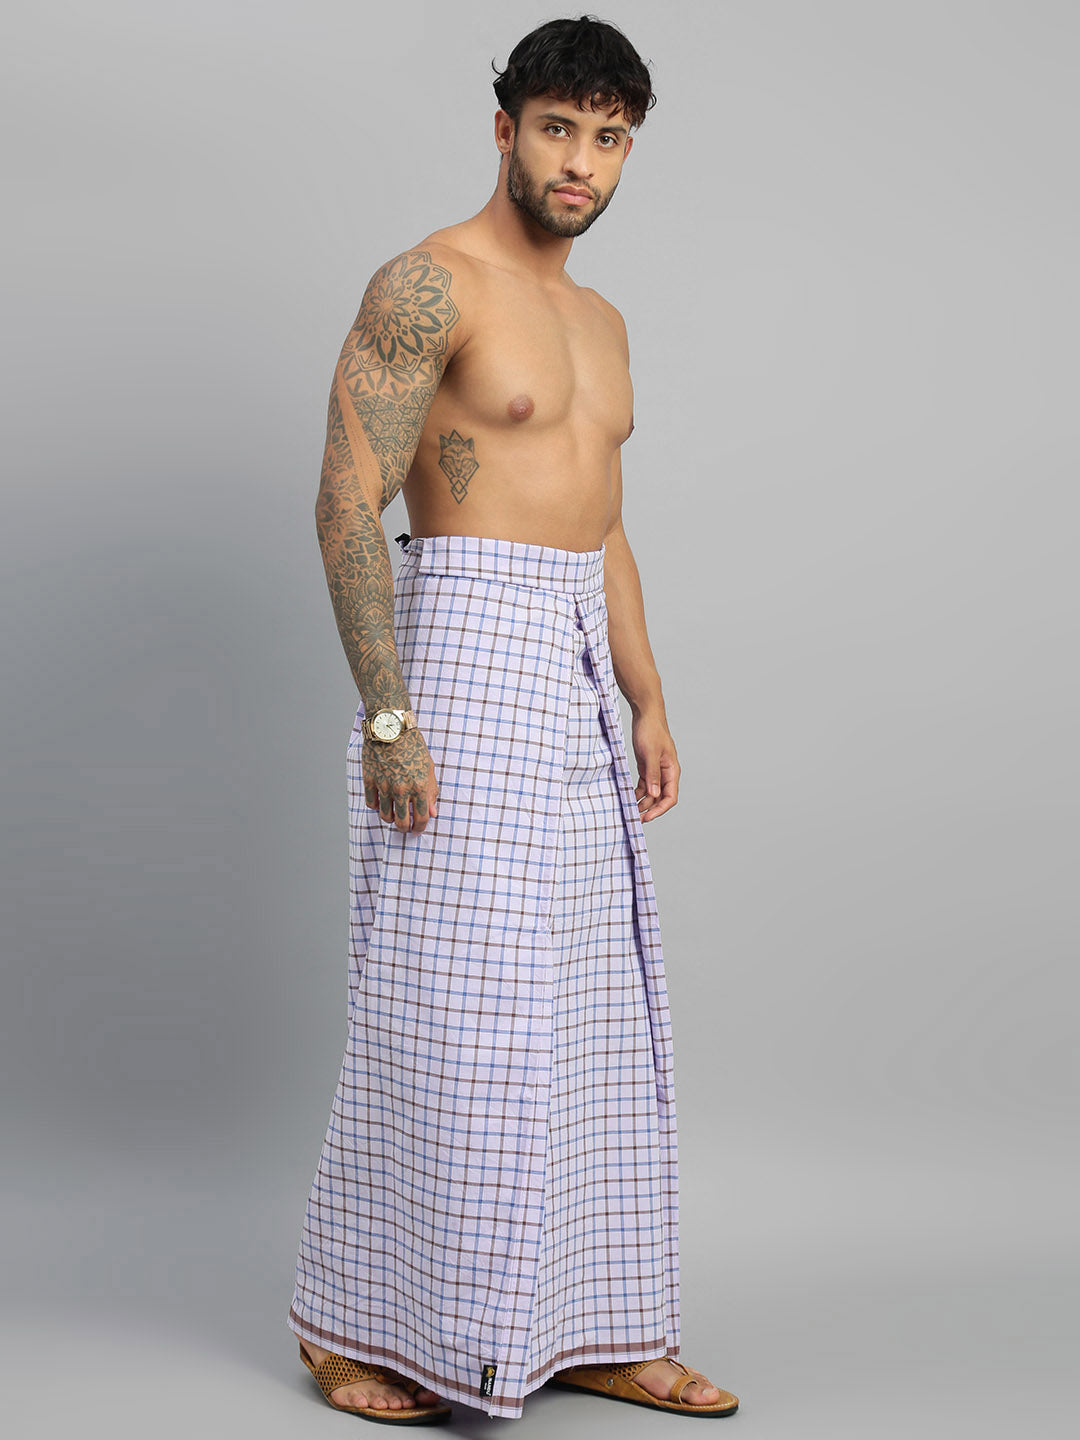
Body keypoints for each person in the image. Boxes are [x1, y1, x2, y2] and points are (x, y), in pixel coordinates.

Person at [286, 14, 739, 1424]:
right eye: (558, 129)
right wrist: (387, 715)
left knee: (595, 1014)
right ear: (505, 130)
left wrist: (648, 694)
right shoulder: (428, 286)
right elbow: (345, 496)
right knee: (447, 1010)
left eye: (609, 138)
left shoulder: (603, 325)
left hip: (578, 671)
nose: (581, 162)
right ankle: (356, 1326)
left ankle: (595, 1325)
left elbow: (602, 526)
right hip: (464, 647)